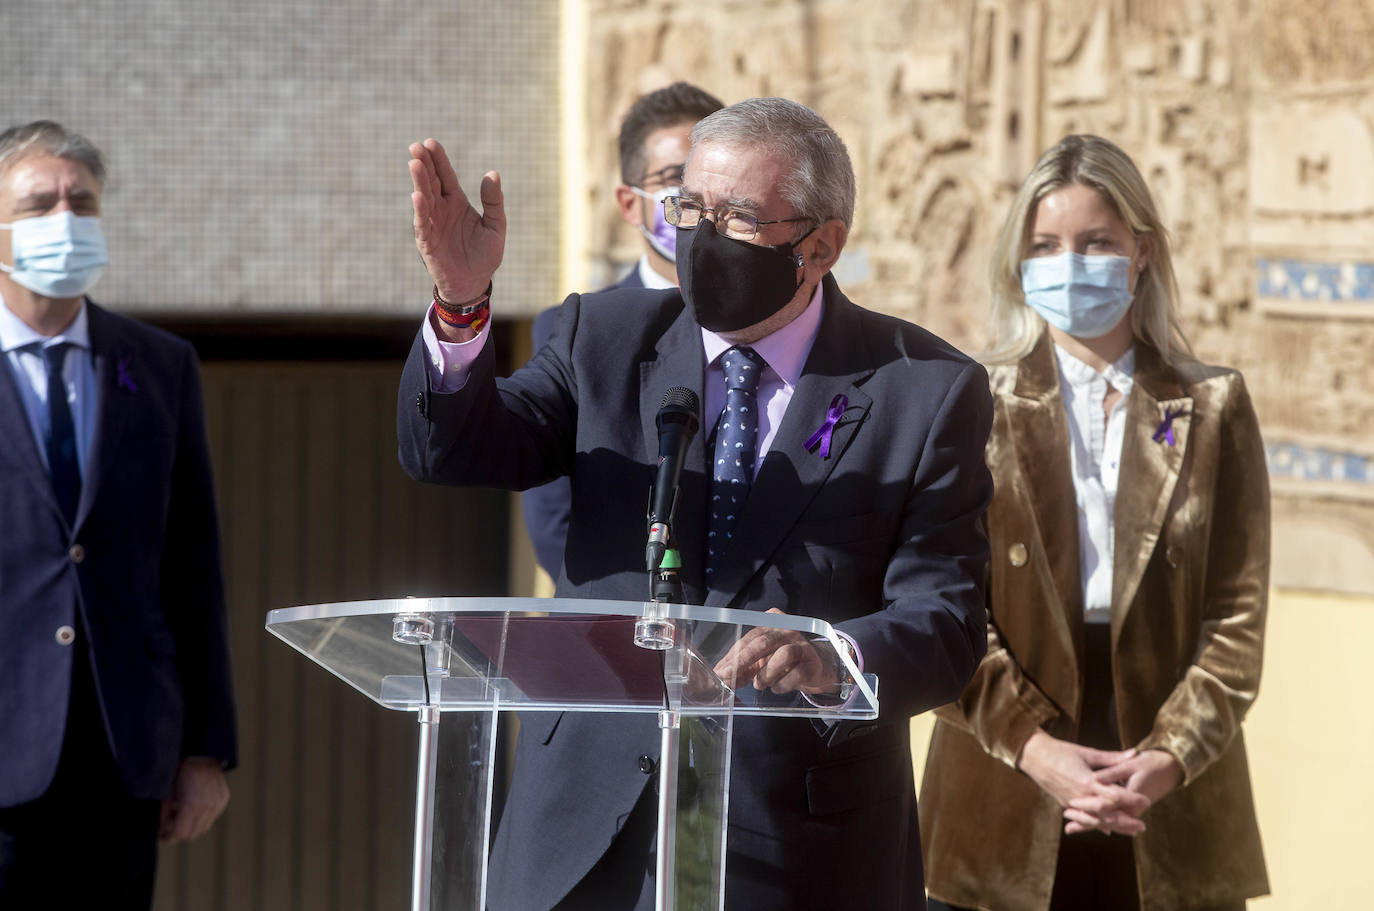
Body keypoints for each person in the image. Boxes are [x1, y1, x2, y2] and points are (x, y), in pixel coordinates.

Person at [397, 97, 994, 910]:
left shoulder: (921, 389)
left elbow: (946, 618)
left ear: (820, 245)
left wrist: (834, 657)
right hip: (579, 839)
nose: (702, 238)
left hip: (795, 849)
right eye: (688, 208)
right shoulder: (600, 339)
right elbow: (451, 449)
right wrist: (461, 305)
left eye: (738, 217)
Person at [918, 134, 1270, 911]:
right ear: (1018, 261)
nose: (1069, 264)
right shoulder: (967, 403)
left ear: (1141, 252)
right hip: (1001, 777)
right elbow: (939, 609)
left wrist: (1169, 757)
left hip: (1167, 786)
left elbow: (1236, 618)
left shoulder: (1211, 407)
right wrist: (1033, 746)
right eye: (1045, 245)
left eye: (1095, 242)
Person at [0, 121, 236, 908]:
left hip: (122, 757)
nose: (64, 219)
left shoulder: (158, 364)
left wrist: (205, 750)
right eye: (38, 204)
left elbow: (191, 565)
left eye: (81, 201)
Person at [523, 81, 724, 580]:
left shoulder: (775, 318)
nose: (695, 197)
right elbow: (554, 522)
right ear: (630, 202)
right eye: (676, 178)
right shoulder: (581, 328)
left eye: (709, 176)